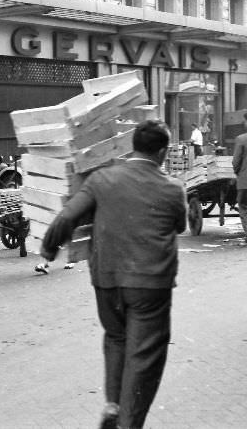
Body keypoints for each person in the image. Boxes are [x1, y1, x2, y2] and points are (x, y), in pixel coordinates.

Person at [40, 120, 186, 429]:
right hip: (150, 284)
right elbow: (180, 226)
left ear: (134, 146)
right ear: (162, 153)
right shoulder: (173, 188)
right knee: (144, 356)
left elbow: (67, 216)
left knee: (117, 338)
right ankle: (128, 423)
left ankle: (113, 404)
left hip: (107, 281)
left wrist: (50, 248)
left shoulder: (101, 179)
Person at [231, 112, 247, 242]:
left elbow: (236, 162)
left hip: (245, 181)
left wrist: (237, 172)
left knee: (243, 206)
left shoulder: (241, 139)